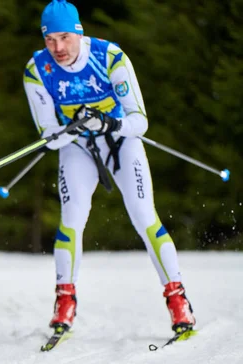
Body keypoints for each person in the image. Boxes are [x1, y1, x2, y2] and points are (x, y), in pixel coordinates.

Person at [23, 0, 196, 335]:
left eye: (64, 38)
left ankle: (178, 300)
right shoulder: (37, 69)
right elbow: (49, 135)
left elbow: (139, 121)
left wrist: (108, 123)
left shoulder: (109, 57)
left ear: (78, 32)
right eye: (49, 40)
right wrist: (68, 130)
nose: (58, 48)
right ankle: (65, 301)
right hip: (77, 147)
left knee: (144, 216)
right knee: (71, 218)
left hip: (121, 142)